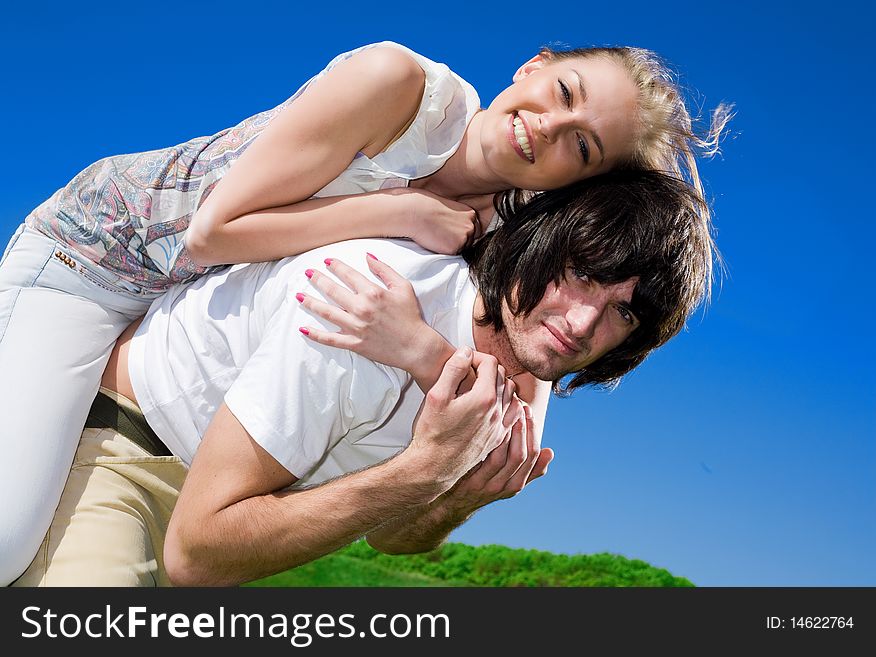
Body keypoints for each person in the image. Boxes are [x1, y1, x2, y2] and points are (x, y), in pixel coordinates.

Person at [0, 39, 730, 584]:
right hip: (95, 259)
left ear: (585, 184)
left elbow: (513, 405)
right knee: (7, 532)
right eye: (563, 90)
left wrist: (429, 362)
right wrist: (401, 210)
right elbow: (212, 233)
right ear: (534, 64)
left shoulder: (514, 225)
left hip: (181, 316)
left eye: (582, 143)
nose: (547, 125)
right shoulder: (400, 89)